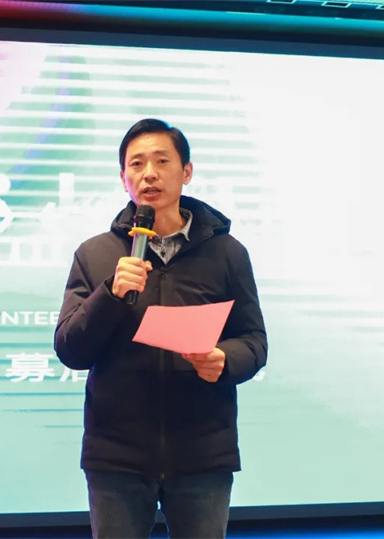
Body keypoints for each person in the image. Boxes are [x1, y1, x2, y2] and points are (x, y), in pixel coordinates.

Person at [54, 118, 268, 538]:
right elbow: (70, 350)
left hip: (203, 453)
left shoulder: (227, 253)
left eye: (161, 161)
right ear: (124, 178)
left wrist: (225, 360)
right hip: (116, 456)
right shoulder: (95, 254)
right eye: (136, 164)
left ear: (186, 172)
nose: (148, 173)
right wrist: (110, 294)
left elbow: (254, 340)